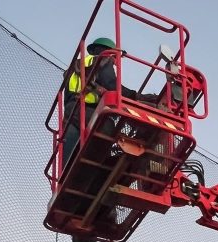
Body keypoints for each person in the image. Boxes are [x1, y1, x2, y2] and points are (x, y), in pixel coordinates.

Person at [61, 37, 157, 168]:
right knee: (107, 125)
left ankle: (69, 170)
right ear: (110, 52)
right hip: (85, 108)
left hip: (71, 112)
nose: (115, 62)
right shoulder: (102, 60)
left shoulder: (77, 66)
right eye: (115, 57)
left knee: (71, 148)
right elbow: (112, 86)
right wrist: (140, 97)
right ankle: (101, 165)